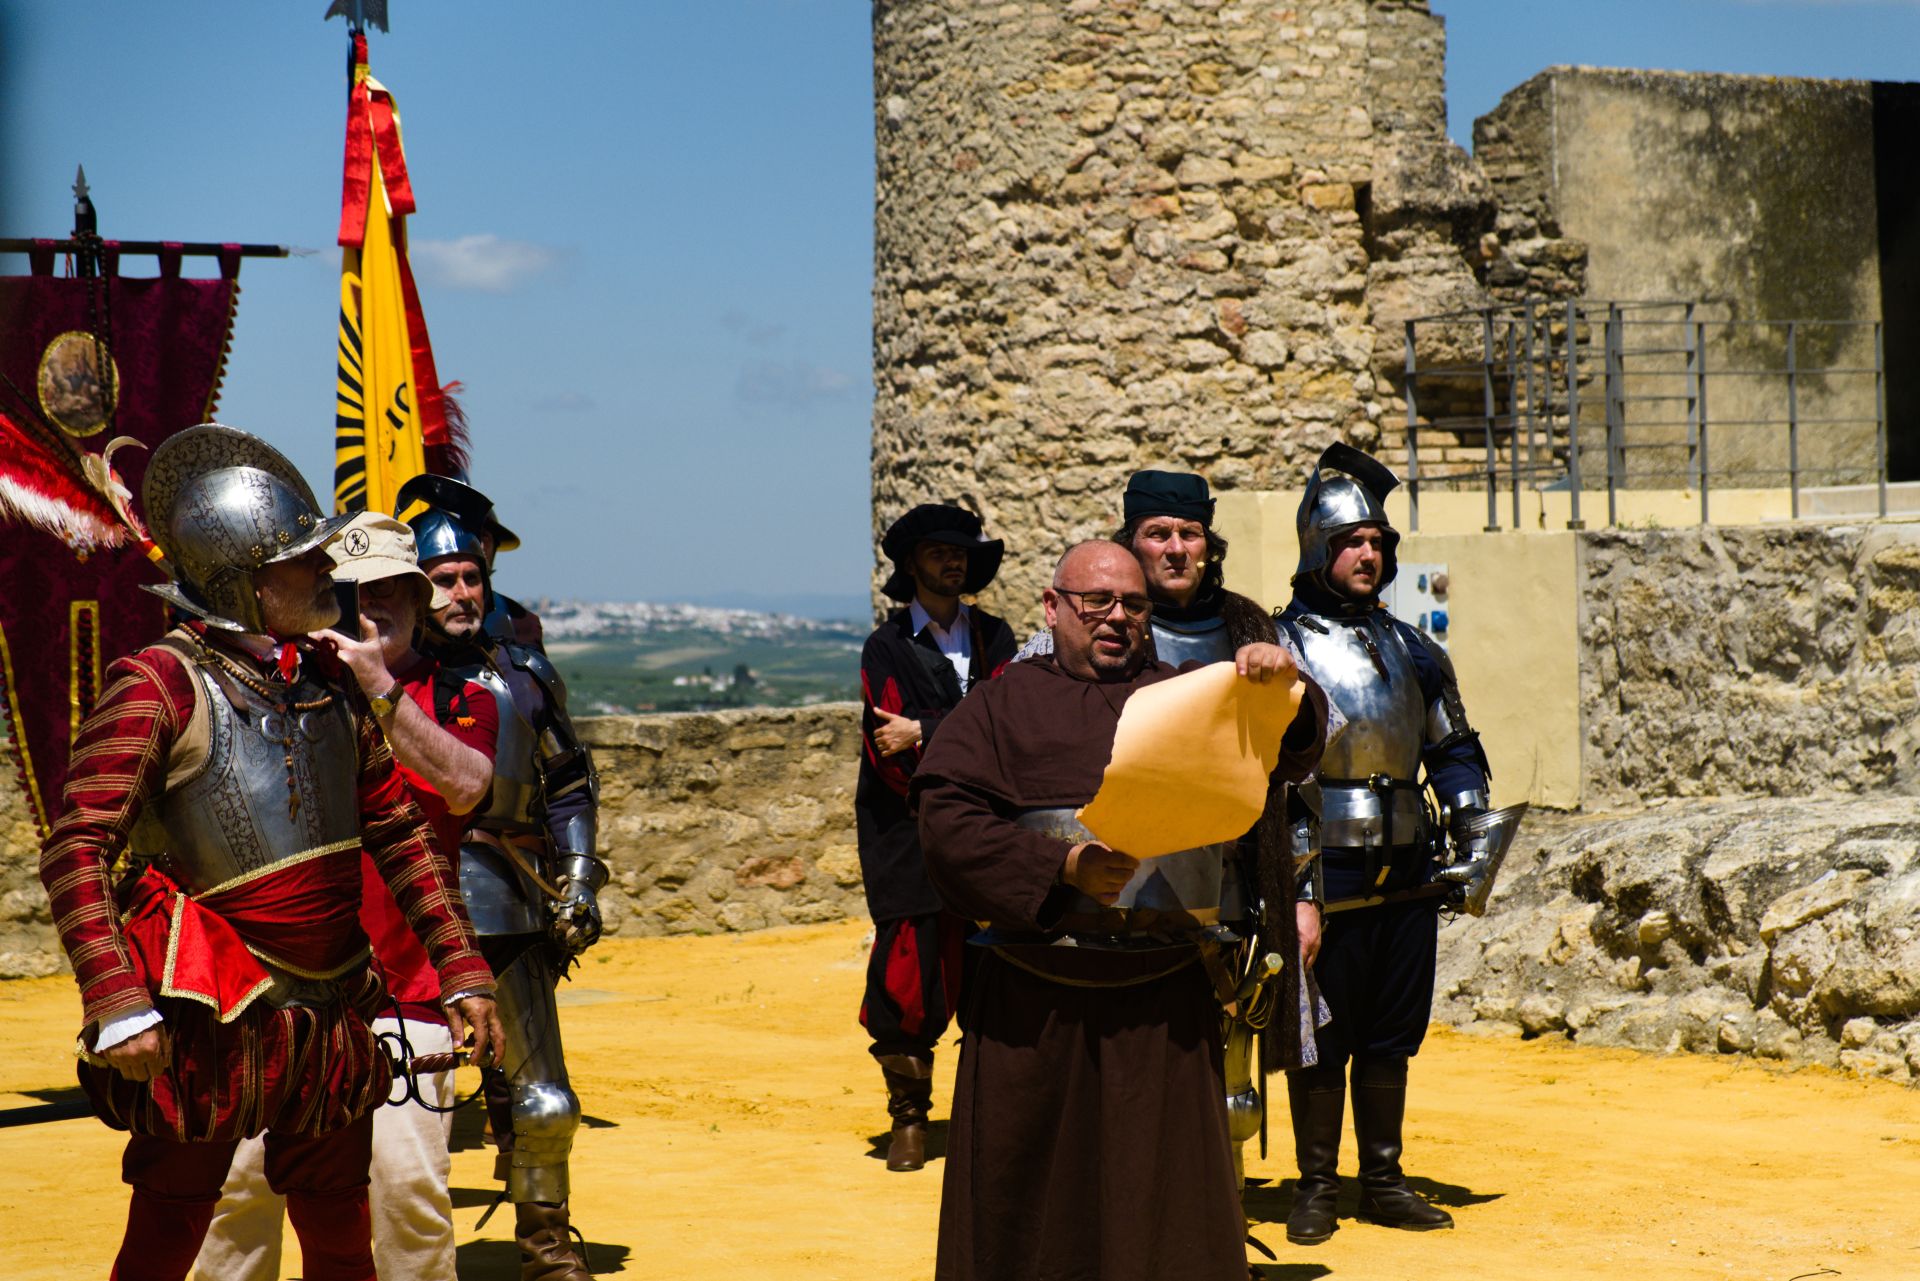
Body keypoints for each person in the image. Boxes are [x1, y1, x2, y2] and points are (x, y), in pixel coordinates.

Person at [38, 425, 501, 1281]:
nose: (327, 575)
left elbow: (399, 834)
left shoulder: (328, 688)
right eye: (304, 563)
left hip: (332, 1013)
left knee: (338, 1227)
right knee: (169, 1233)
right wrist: (117, 997)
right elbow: (78, 848)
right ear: (248, 583)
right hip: (206, 1015)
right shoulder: (158, 685)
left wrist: (463, 969)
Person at [913, 540, 1328, 1281]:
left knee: (1163, 1205)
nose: (1116, 618)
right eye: (1095, 602)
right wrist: (1062, 864)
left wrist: (1281, 685)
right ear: (1052, 607)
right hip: (1031, 1001)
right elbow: (945, 825)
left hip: (1162, 998)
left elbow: (1289, 750)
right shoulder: (1000, 705)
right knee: (1030, 1206)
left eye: (1133, 605)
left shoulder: (1186, 694)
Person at [192, 512, 501, 1281]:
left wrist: (379, 688)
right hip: (266, 993)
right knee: (237, 1197)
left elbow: (465, 788)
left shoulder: (462, 692)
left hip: (410, 994)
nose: (375, 605)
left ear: (419, 597)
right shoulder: (273, 687)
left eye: (397, 587)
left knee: (408, 1201)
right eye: (358, 588)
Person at [1274, 443, 1493, 1245]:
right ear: (1318, 550)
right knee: (1324, 1030)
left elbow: (1454, 748)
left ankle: (1385, 1177)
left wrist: (1472, 826)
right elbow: (1269, 772)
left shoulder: (1415, 650)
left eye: (1378, 543)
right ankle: (1318, 1184)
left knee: (1392, 1030)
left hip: (1409, 862)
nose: (1369, 555)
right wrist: (1294, 881)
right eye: (1352, 542)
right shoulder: (1279, 645)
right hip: (1321, 865)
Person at [403, 472, 607, 1281]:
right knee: (398, 1096)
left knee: (543, 1098)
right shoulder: (381, 675)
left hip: (514, 892)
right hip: (408, 902)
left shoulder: (522, 671)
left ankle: (545, 1245)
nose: (459, 590)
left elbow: (566, 781)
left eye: (469, 576)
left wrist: (582, 878)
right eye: (441, 578)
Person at [856, 503, 1016, 1171]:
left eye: (961, 550)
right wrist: (957, 732)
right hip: (908, 836)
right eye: (939, 550)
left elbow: (1010, 722)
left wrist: (925, 729)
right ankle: (909, 1119)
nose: (953, 560)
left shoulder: (996, 636)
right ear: (913, 562)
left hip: (991, 830)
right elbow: (889, 753)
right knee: (908, 976)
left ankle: (992, 1115)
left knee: (996, 971)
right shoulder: (885, 646)